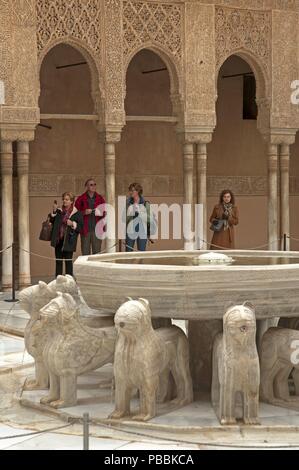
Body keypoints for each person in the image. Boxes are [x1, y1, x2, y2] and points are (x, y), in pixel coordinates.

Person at [50, 192, 83, 277]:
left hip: (69, 241)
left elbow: (81, 228)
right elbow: (51, 221)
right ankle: (58, 283)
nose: (64, 201)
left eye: (67, 199)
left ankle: (69, 283)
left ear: (71, 201)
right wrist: (54, 211)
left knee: (68, 262)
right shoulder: (59, 211)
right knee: (58, 262)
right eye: (64, 199)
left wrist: (72, 224)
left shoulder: (77, 213)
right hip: (58, 240)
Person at [75, 178, 106, 255]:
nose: (93, 186)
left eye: (95, 184)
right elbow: (75, 214)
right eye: (91, 185)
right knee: (85, 253)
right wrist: (84, 212)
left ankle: (96, 267)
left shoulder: (100, 198)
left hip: (97, 229)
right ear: (87, 186)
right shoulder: (81, 198)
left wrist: (100, 212)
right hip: (85, 230)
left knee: (97, 253)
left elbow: (105, 212)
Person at [125, 183, 152, 252]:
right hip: (130, 230)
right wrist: (131, 211)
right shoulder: (128, 203)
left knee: (141, 253)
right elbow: (125, 219)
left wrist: (141, 213)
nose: (130, 192)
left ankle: (141, 263)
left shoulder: (145, 203)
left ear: (138, 191)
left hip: (142, 230)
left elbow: (149, 219)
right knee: (128, 252)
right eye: (130, 190)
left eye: (132, 190)